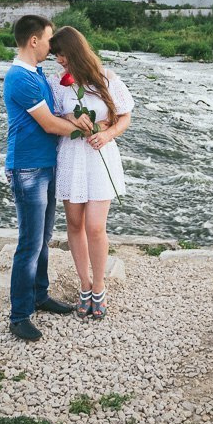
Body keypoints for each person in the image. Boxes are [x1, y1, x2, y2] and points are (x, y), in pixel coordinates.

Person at [4, 15, 93, 342]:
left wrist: (73, 116)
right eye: (48, 39)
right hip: (27, 168)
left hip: (46, 164)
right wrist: (86, 130)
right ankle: (19, 315)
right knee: (29, 242)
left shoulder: (37, 74)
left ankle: (39, 295)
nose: (51, 45)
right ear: (33, 41)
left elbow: (57, 115)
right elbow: (50, 124)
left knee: (43, 237)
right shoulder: (19, 77)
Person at [47, 26, 134, 320]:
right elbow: (56, 115)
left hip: (100, 155)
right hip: (72, 155)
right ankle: (84, 285)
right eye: (56, 56)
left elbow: (125, 116)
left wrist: (108, 135)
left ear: (75, 51)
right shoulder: (58, 83)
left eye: (62, 55)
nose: (59, 61)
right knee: (74, 224)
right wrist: (71, 116)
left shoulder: (106, 78)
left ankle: (99, 286)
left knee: (95, 226)